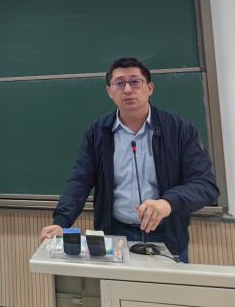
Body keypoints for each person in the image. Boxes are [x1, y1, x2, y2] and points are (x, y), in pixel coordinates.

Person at [40, 57, 219, 263]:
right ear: (110, 91)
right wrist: (61, 222)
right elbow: (80, 181)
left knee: (166, 285)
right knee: (115, 285)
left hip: (167, 235)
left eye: (135, 82)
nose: (127, 90)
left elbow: (205, 185)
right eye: (119, 83)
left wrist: (168, 202)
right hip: (115, 235)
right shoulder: (98, 132)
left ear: (150, 88)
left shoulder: (179, 130)